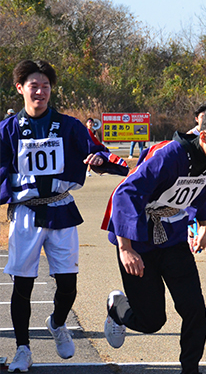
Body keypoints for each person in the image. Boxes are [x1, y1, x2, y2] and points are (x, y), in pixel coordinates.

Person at [1, 60, 129, 372]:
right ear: (20, 88)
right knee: (23, 285)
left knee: (68, 285)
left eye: (45, 86)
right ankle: (22, 349)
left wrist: (105, 162)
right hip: (26, 214)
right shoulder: (8, 130)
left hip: (61, 210)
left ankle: (57, 323)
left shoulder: (69, 126)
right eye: (34, 85)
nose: (40, 91)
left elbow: (99, 151)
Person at [102, 106, 206, 374]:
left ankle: (190, 370)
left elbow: (200, 192)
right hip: (139, 243)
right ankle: (118, 309)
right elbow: (124, 193)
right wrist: (126, 248)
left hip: (174, 241)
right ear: (203, 137)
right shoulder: (169, 155)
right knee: (152, 321)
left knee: (196, 314)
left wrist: (202, 224)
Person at [185, 102, 206, 254]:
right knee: (192, 205)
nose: (205, 119)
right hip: (194, 177)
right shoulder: (190, 135)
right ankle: (191, 235)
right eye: (202, 117)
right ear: (196, 119)